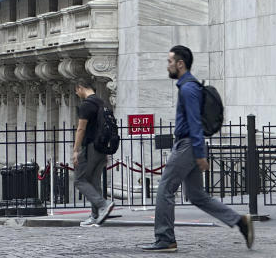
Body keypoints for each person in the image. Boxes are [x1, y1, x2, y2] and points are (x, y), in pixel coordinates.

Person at [141, 45, 253, 253]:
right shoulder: (188, 86)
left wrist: (200, 154)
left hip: (187, 145)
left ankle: (165, 238)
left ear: (180, 64)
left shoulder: (188, 88)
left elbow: (194, 123)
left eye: (170, 62)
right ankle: (240, 221)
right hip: (189, 145)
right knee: (196, 195)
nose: (168, 66)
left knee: (165, 189)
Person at [71, 78, 115, 227]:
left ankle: (103, 204)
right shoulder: (101, 102)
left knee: (79, 180)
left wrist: (76, 150)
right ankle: (95, 216)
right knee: (93, 182)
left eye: (76, 91)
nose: (77, 94)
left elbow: (81, 129)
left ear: (80, 87)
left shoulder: (86, 105)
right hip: (102, 147)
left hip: (90, 147)